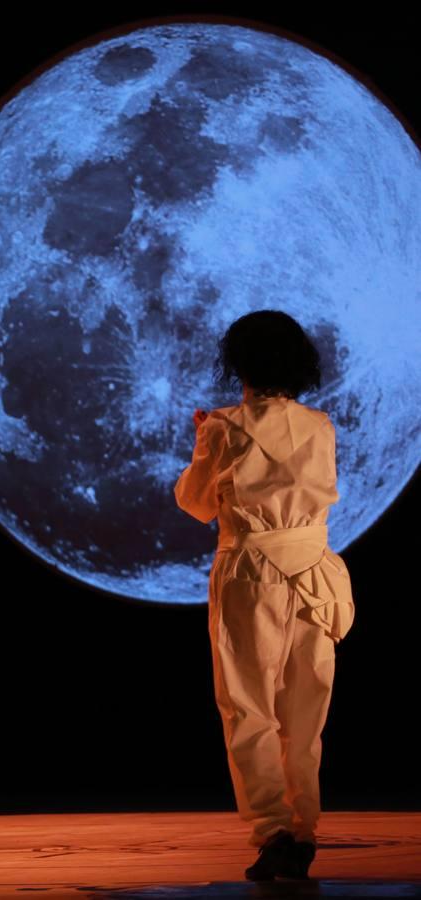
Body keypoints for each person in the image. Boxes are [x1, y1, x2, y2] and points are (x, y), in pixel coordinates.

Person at [175, 311, 354, 881]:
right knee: (305, 711)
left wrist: (204, 439)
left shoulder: (225, 427)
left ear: (240, 363)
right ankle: (301, 829)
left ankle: (275, 829)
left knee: (248, 705)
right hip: (314, 571)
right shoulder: (321, 425)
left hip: (251, 572)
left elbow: (196, 503)